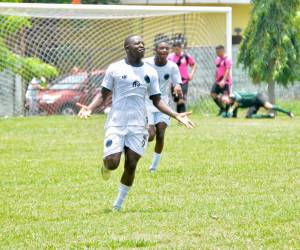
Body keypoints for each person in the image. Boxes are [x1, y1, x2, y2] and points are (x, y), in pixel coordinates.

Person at [77, 35, 194, 211]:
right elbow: (103, 94)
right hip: (117, 123)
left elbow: (157, 100)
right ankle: (106, 166)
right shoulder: (115, 68)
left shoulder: (150, 72)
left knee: (131, 164)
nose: (141, 45)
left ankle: (118, 204)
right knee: (113, 162)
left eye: (142, 43)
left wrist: (176, 114)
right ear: (126, 47)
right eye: (136, 43)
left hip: (139, 125)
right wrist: (89, 108)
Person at [145, 39, 183, 173]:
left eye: (167, 48)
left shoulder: (172, 66)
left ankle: (153, 167)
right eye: (161, 48)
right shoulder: (146, 63)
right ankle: (132, 147)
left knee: (160, 134)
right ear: (155, 49)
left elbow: (177, 82)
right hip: (146, 103)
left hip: (163, 104)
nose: (164, 51)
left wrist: (177, 87)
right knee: (150, 135)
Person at [168, 41, 196, 113]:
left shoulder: (186, 56)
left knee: (182, 99)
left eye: (177, 49)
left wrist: (191, 74)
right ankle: (180, 117)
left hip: (184, 81)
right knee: (177, 100)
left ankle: (183, 117)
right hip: (173, 82)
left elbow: (194, 65)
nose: (176, 51)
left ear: (181, 48)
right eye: (174, 49)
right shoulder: (170, 57)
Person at [221, 92, 294, 118]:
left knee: (269, 106)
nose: (225, 102)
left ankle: (288, 112)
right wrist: (226, 115)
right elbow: (233, 116)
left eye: (224, 100)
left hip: (257, 97)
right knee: (248, 116)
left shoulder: (232, 95)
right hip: (253, 104)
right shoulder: (231, 105)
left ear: (227, 96)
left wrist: (232, 108)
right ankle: (269, 116)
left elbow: (239, 98)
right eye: (223, 102)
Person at [210, 45, 233, 116]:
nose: (216, 53)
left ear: (222, 51)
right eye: (216, 52)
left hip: (225, 82)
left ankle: (227, 112)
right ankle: (222, 108)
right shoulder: (217, 59)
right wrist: (215, 78)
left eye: (218, 51)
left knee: (225, 98)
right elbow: (217, 69)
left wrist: (223, 80)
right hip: (218, 81)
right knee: (213, 94)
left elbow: (227, 70)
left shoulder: (227, 59)